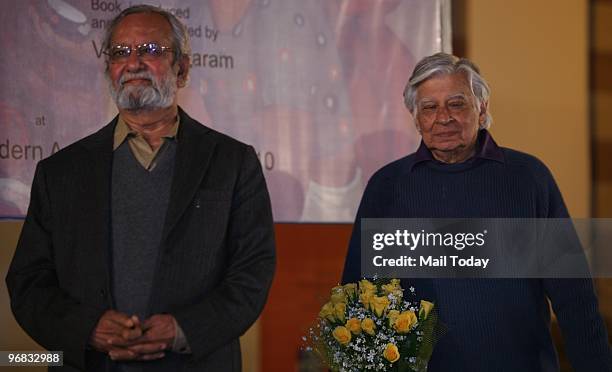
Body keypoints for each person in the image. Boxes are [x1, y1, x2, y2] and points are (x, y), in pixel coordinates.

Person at [6, 5, 275, 372]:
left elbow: (252, 273)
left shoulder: (232, 163)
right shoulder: (60, 173)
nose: (133, 63)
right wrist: (87, 328)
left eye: (151, 50)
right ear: (109, 70)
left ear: (181, 70)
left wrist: (183, 329)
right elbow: (28, 284)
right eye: (120, 52)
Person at [342, 52, 612, 371]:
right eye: (429, 107)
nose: (443, 117)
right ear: (415, 117)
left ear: (481, 108)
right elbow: (358, 299)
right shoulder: (387, 187)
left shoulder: (528, 178)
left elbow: (574, 297)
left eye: (457, 103)